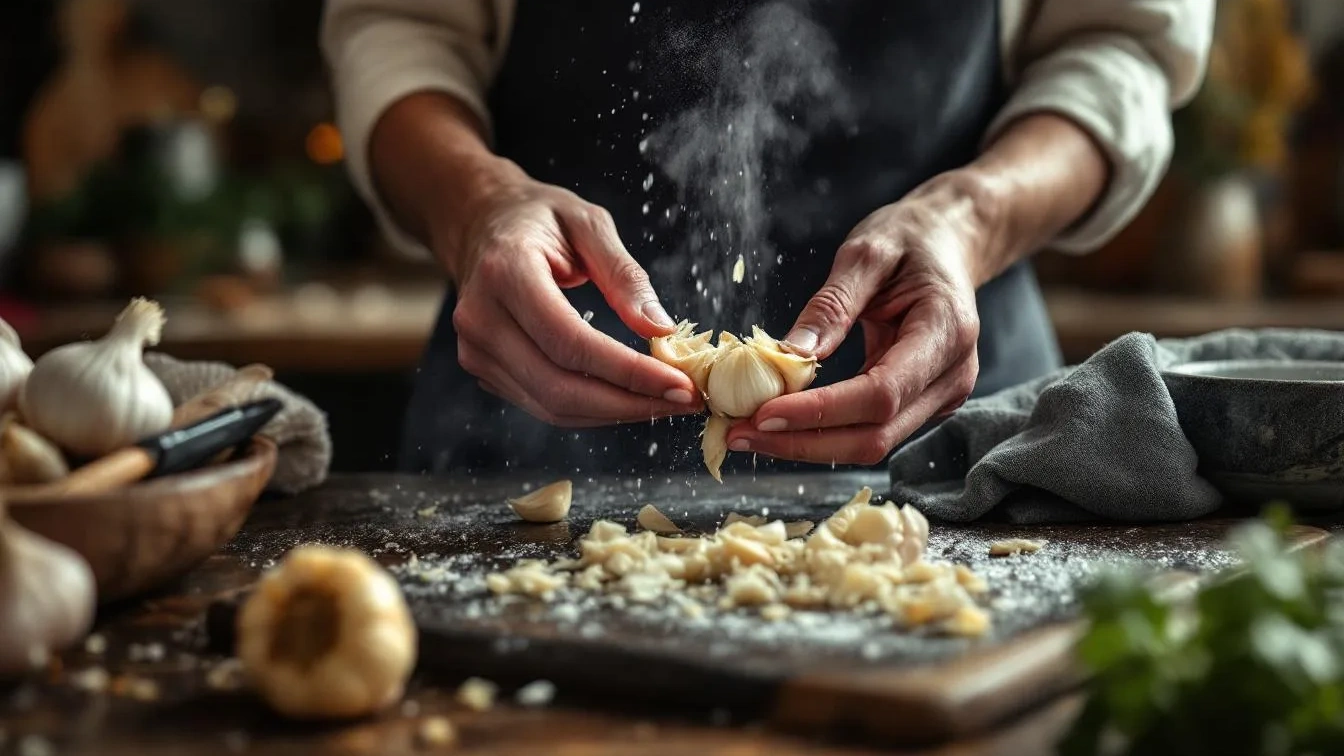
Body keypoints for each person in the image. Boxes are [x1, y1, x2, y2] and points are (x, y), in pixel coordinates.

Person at [321, 0, 1213, 476]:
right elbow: (398, 30)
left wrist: (970, 219)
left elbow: (1121, 46)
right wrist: (478, 206)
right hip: (510, 440)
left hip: (950, 440)